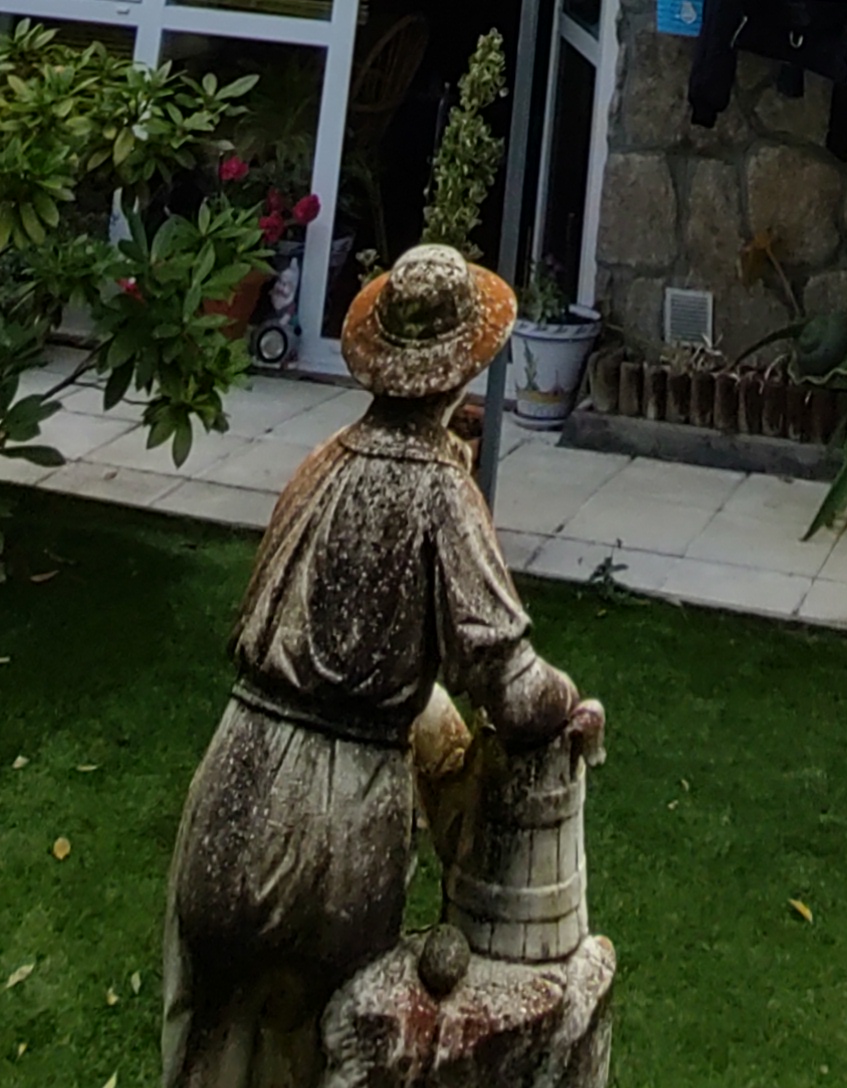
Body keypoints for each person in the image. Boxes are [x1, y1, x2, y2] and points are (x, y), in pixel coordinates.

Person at [163, 242, 604, 1088]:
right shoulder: (441, 491)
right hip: (338, 813)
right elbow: (513, 686)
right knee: (328, 1050)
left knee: (209, 1054)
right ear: (463, 367)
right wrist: (565, 699)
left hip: (237, 773)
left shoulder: (322, 464)